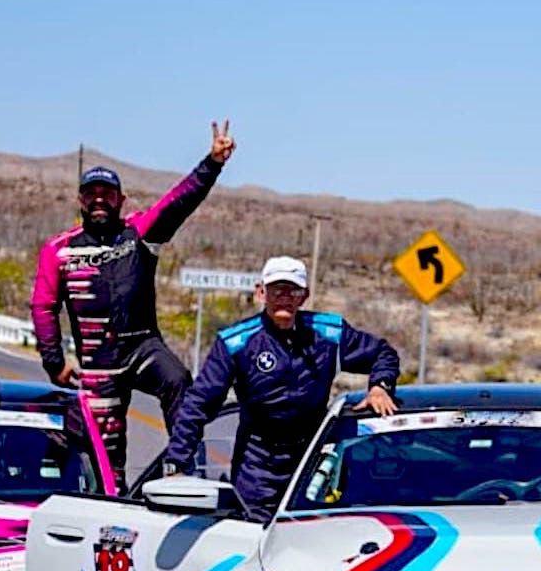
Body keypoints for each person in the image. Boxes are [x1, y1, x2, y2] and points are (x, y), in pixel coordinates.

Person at [31, 122, 236, 488]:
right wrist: (54, 361)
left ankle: (181, 470)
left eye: (107, 194)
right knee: (107, 463)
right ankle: (113, 502)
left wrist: (212, 163)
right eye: (91, 193)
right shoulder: (58, 249)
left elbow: (178, 203)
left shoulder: (139, 232)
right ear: (80, 200)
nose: (99, 199)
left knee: (178, 379)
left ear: (120, 199)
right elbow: (43, 307)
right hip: (99, 364)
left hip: (142, 348)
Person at [153, 256, 400, 522]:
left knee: (314, 534)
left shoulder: (330, 334)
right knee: (253, 535)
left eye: (292, 291)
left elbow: (383, 353)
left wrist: (379, 386)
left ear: (304, 296)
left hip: (311, 458)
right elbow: (198, 403)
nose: (284, 298)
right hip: (257, 465)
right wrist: (176, 463)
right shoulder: (236, 343)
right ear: (261, 293)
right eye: (276, 290)